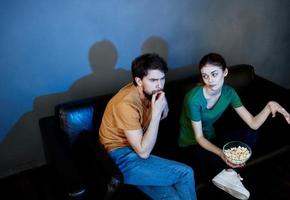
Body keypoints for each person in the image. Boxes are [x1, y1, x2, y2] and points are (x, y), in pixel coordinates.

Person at [178, 53, 290, 200]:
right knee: (205, 159)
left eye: (214, 74)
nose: (210, 80)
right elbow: (199, 137)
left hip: (212, 137)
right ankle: (227, 172)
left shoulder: (229, 93)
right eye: (205, 76)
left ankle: (226, 171)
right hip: (192, 143)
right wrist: (221, 153)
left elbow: (253, 123)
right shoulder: (193, 99)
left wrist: (269, 106)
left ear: (225, 72)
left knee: (251, 133)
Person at [99, 53, 197, 200]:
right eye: (153, 80)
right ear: (139, 80)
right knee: (185, 173)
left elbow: (164, 114)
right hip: (118, 158)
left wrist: (160, 108)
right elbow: (143, 152)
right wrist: (156, 112)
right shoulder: (126, 104)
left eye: (162, 78)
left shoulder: (151, 92)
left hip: (133, 150)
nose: (159, 85)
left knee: (171, 197)